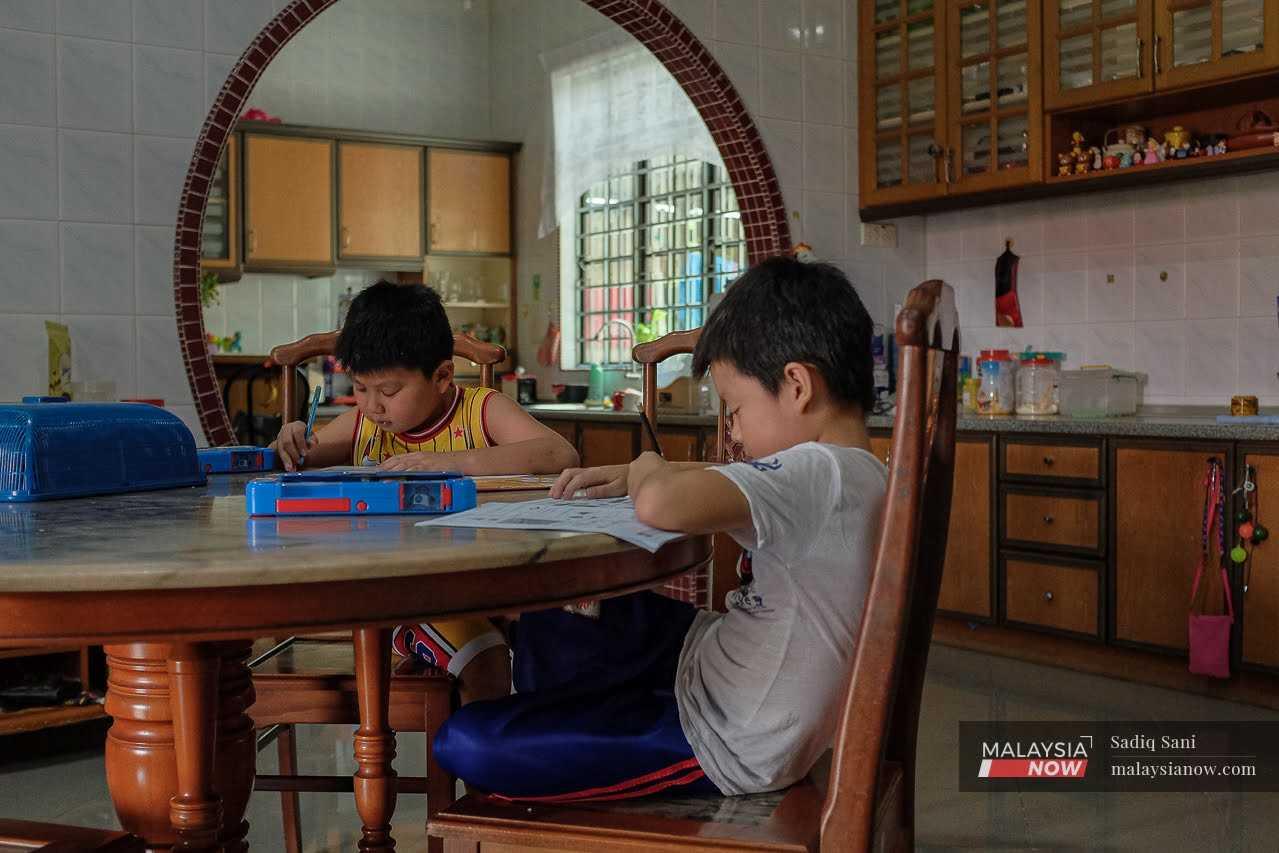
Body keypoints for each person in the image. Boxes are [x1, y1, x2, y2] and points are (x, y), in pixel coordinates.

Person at [431, 256, 888, 801]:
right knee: (557, 616)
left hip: (726, 740)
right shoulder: (850, 470)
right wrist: (641, 476)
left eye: (735, 409)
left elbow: (661, 503)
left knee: (466, 744)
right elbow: (722, 476)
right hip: (714, 665)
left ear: (796, 386)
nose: (734, 432)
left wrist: (648, 466)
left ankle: (570, 726)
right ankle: (567, 716)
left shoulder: (817, 471)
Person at [270, 280, 579, 703]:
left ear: (442, 375)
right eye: (360, 388)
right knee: (486, 661)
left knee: (562, 644)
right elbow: (297, 457)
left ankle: (509, 758)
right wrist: (290, 439)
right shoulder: (363, 424)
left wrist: (451, 461)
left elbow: (560, 452)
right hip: (392, 596)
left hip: (481, 588)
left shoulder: (481, 410)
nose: (373, 405)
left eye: (389, 391)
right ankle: (482, 766)